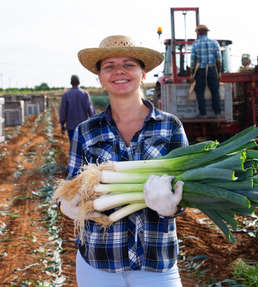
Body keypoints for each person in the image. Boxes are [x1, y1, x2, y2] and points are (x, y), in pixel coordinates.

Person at [58, 35, 188, 287]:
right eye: (109, 66)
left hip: (157, 263)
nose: (119, 71)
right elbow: (72, 184)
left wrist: (172, 207)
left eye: (129, 64)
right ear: (100, 77)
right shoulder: (86, 131)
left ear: (144, 73)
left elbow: (187, 189)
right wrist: (67, 206)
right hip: (97, 263)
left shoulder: (170, 126)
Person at [190, 24, 222, 118]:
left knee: (200, 92)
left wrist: (192, 74)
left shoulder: (195, 44)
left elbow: (192, 61)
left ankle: (203, 114)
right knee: (215, 91)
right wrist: (219, 72)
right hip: (212, 69)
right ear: (207, 32)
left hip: (201, 70)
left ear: (198, 33)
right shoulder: (214, 43)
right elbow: (219, 59)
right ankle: (217, 113)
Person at [59, 75, 95, 143]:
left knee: (74, 147)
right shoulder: (85, 94)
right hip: (83, 127)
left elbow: (63, 111)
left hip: (71, 127)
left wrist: (62, 124)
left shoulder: (66, 95)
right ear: (79, 82)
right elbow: (91, 110)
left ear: (71, 82)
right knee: (84, 146)